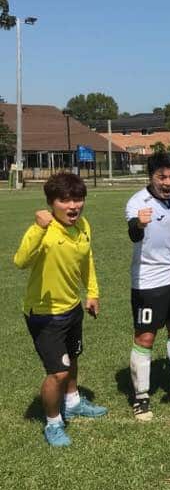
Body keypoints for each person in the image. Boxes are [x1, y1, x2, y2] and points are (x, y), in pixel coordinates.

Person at [14, 173, 106, 447]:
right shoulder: (42, 229)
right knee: (58, 372)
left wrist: (92, 292)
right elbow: (20, 261)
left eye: (78, 199)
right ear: (51, 203)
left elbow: (86, 258)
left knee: (73, 357)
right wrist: (39, 229)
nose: (73, 206)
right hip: (44, 314)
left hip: (72, 307)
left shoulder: (83, 225)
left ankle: (74, 401)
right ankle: (53, 424)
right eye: (64, 200)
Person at [125, 152, 170, 421]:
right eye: (161, 177)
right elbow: (133, 233)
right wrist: (139, 224)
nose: (168, 182)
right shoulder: (137, 202)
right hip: (148, 282)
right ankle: (141, 398)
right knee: (146, 337)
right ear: (150, 177)